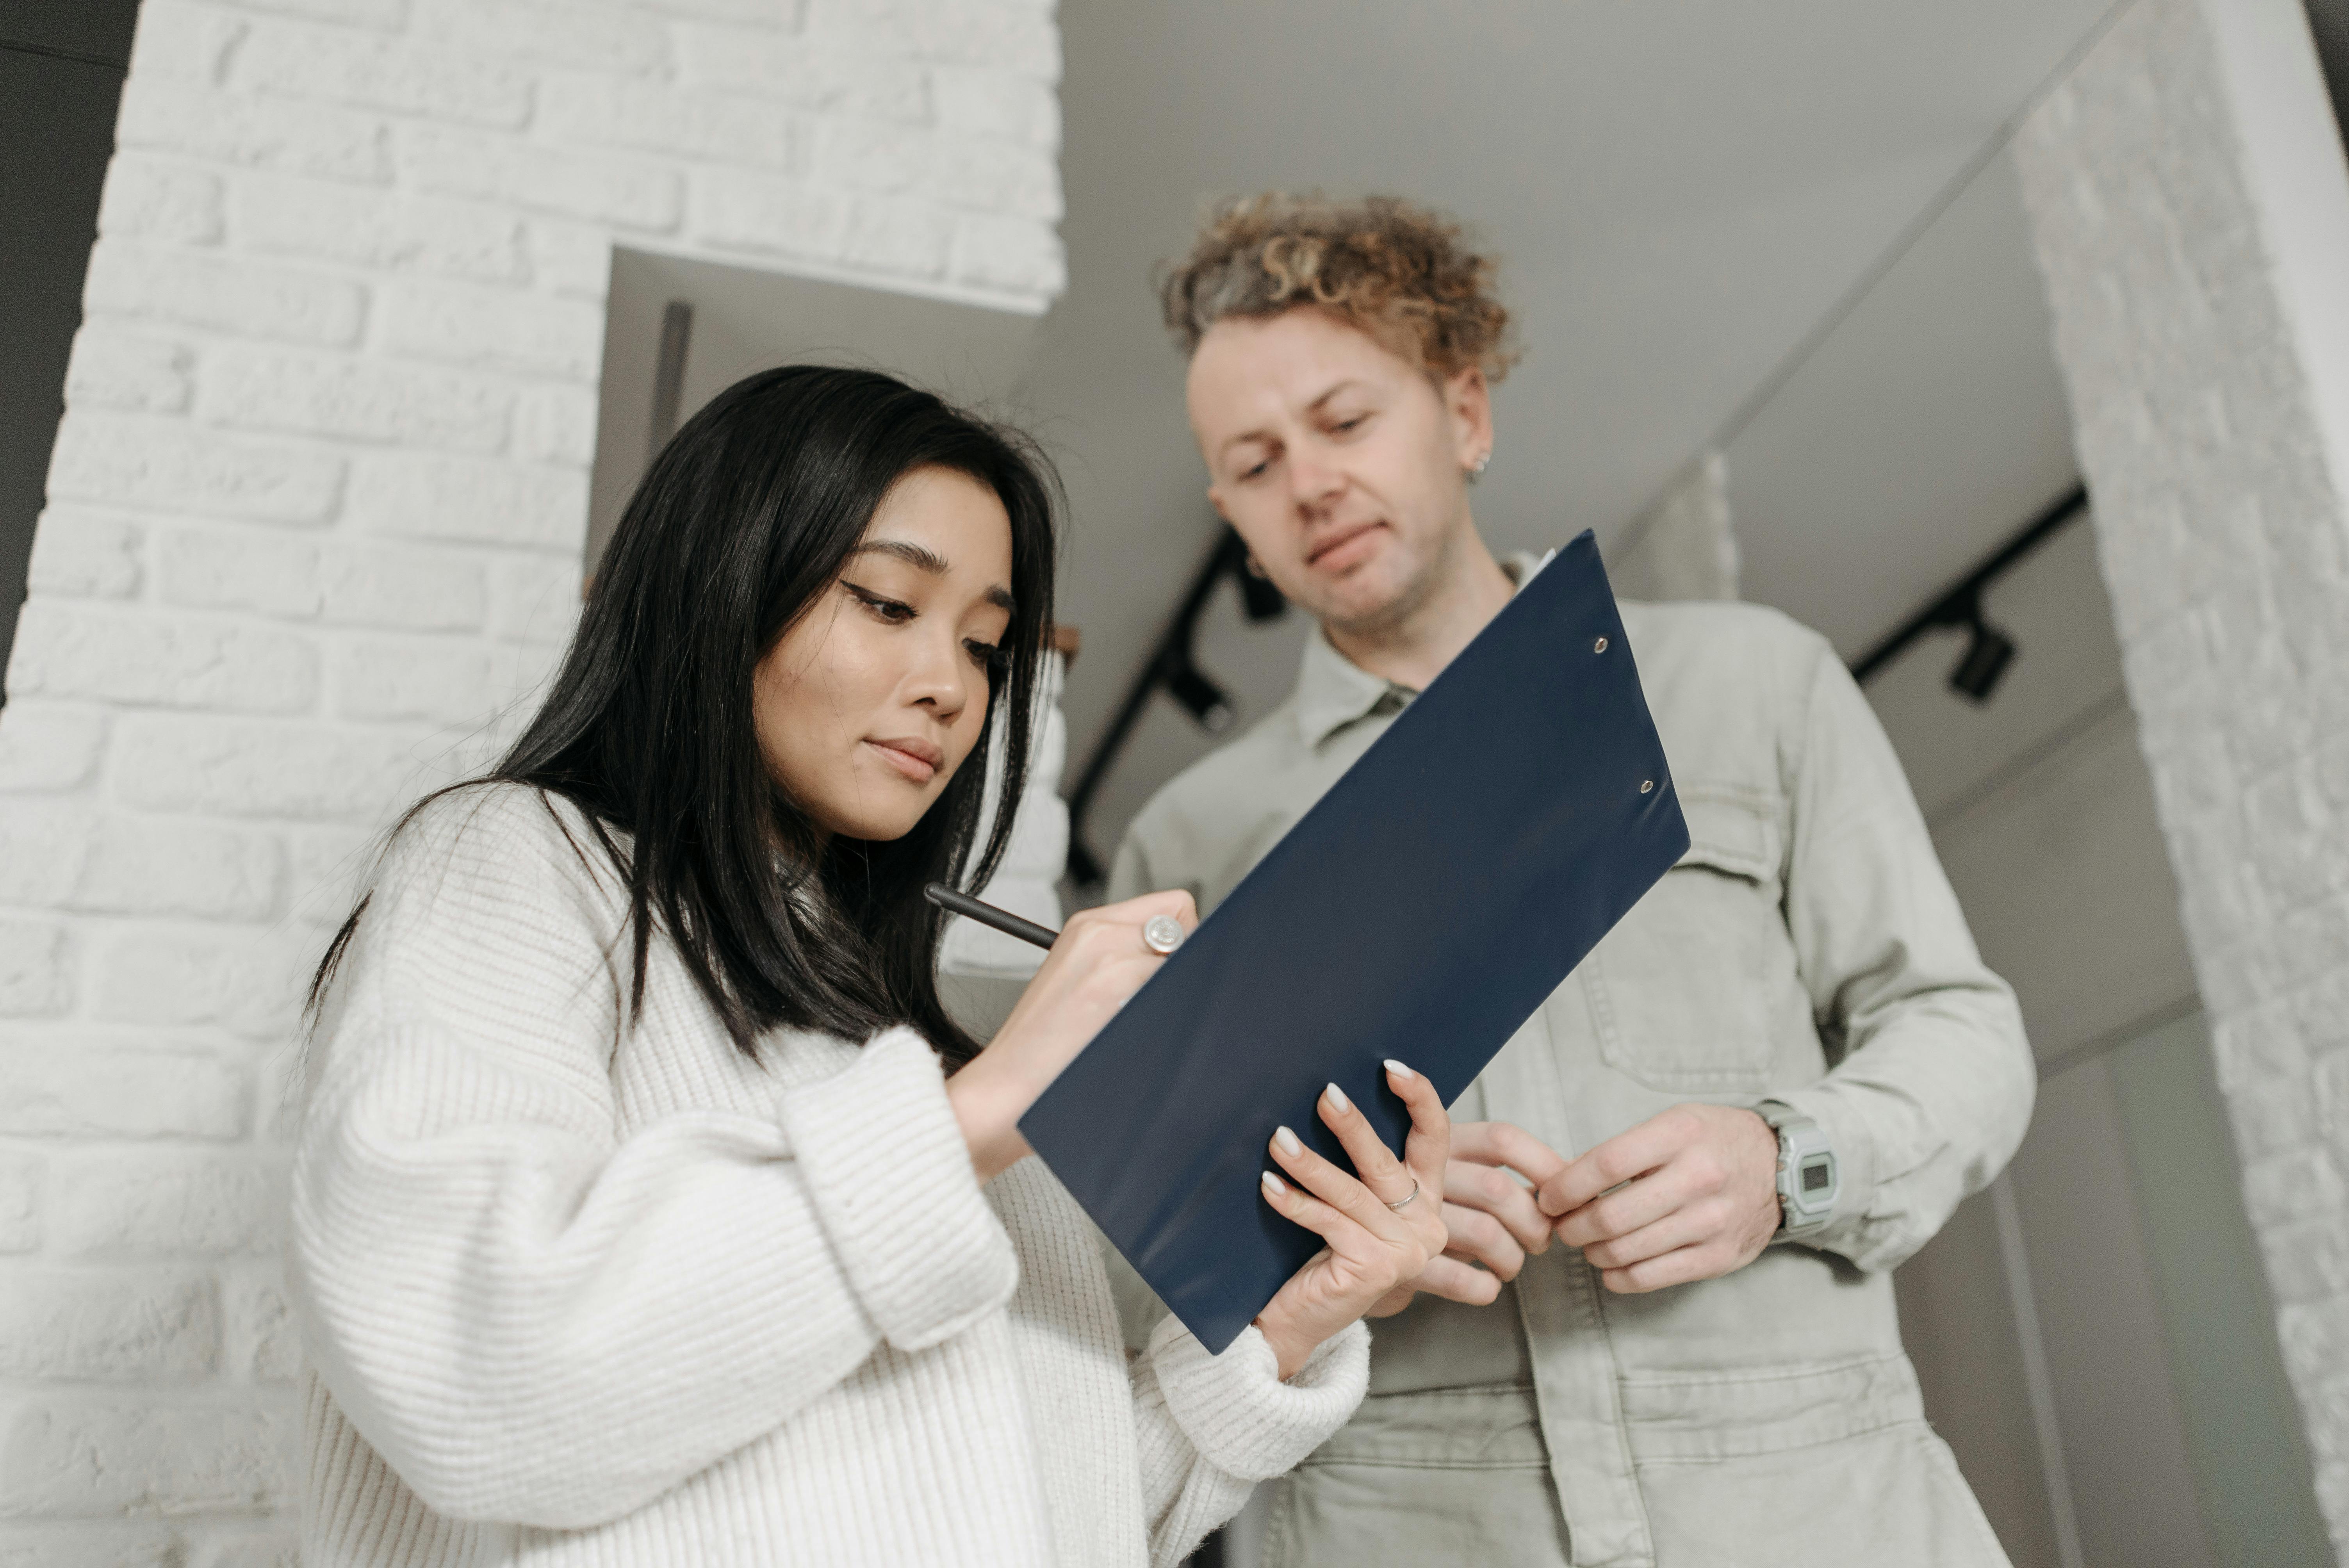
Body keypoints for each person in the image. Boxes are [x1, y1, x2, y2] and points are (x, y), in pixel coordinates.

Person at [288, 365, 1459, 1568]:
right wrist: (985, 1113)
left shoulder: (914, 1055)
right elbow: (478, 1383)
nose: (952, 688)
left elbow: (1078, 1520)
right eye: (891, 604)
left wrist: (1292, 1323)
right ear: (720, 589)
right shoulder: (512, 865)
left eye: (987, 645)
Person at [1107, 196, 2037, 1566]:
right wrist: (1328, 1246)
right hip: (1399, 1520)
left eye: (1346, 422)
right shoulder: (1188, 840)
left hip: (1812, 1500)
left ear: (1466, 413)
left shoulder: (1753, 684)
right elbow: (1142, 1277)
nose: (1306, 482)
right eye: (1254, 461)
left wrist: (1788, 1159)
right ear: (1235, 520)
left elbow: (1964, 1030)